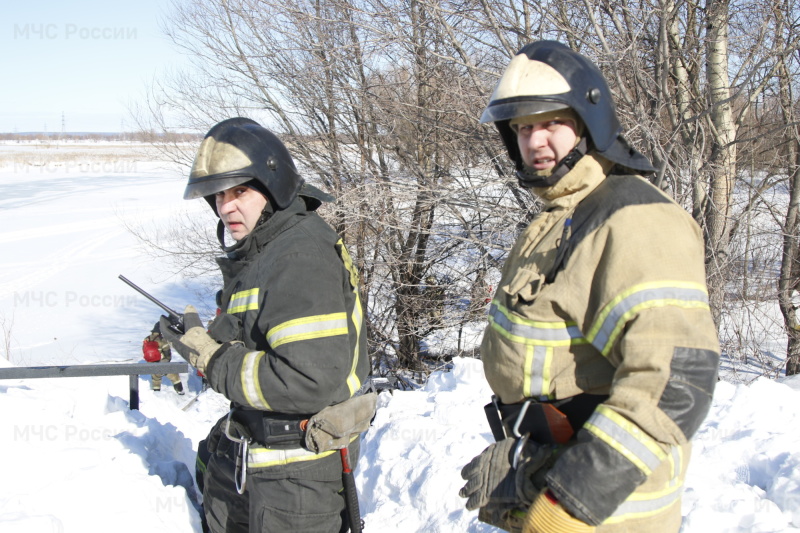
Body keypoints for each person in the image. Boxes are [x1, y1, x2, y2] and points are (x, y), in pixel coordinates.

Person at [458, 41, 720, 533]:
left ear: (586, 123)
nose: (534, 142)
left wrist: (570, 504)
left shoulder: (633, 220)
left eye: (551, 123)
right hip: (548, 472)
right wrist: (526, 459)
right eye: (522, 128)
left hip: (606, 510)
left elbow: (675, 382)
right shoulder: (565, 214)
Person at [159, 118, 374, 533]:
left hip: (293, 487)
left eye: (240, 190)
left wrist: (214, 359)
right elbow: (259, 335)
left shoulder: (299, 256)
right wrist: (203, 339)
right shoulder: (265, 251)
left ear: (272, 184)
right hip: (255, 465)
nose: (226, 206)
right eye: (219, 195)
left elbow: (305, 381)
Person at [142, 322, 184, 395]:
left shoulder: (146, 339)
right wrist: (165, 361)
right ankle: (180, 392)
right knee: (175, 377)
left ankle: (157, 394)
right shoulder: (161, 340)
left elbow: (144, 350)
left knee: (156, 380)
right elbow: (167, 355)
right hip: (161, 363)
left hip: (150, 363)